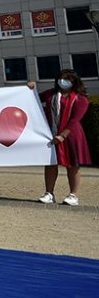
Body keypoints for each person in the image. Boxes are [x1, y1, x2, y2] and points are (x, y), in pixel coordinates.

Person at [29, 70, 91, 206]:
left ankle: (73, 195)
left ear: (74, 81)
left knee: (73, 165)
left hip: (72, 135)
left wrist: (63, 135)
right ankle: (49, 193)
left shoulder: (81, 99)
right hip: (52, 133)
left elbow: (75, 120)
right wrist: (31, 89)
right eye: (61, 78)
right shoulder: (50, 94)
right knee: (51, 163)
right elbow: (33, 99)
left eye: (67, 79)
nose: (63, 81)